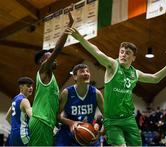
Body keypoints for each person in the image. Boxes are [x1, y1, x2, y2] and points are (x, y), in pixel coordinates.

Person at [66, 28, 166, 146]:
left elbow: (156, 78)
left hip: (129, 119)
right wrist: (81, 39)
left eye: (127, 53)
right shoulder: (113, 65)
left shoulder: (135, 73)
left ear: (133, 57)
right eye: (122, 52)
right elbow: (97, 52)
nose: (123, 55)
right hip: (112, 120)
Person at [28, 11, 74, 146]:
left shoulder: (50, 78)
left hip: (47, 123)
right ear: (43, 61)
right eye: (50, 56)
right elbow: (58, 49)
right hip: (41, 121)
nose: (55, 59)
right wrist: (68, 27)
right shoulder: (43, 70)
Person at [54, 64, 104, 146]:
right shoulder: (66, 93)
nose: (86, 73)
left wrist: (102, 132)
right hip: (68, 132)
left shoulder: (96, 93)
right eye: (82, 71)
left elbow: (107, 115)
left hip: (87, 131)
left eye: (87, 71)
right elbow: (56, 115)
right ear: (75, 77)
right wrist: (71, 123)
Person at [5, 76, 34, 146]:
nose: (31, 88)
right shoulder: (25, 100)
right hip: (23, 136)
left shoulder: (15, 99)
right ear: (21, 87)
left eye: (32, 86)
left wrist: (16, 127)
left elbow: (7, 117)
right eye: (28, 86)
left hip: (13, 135)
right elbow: (33, 118)